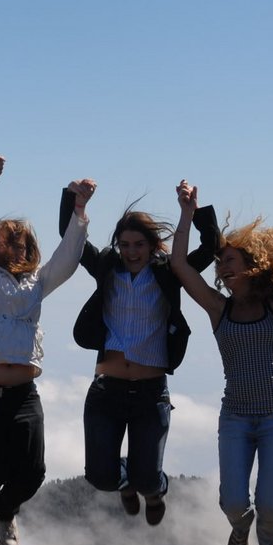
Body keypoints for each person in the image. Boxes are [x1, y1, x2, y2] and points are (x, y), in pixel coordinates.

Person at [0, 163, 91, 545]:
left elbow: (69, 258)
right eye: (7, 241)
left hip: (21, 394)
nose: (16, 247)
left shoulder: (37, 283)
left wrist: (79, 212)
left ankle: (6, 510)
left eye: (23, 242)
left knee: (32, 473)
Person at [59, 192, 218, 525]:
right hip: (106, 391)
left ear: (152, 245)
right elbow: (70, 238)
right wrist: (76, 200)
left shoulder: (168, 273)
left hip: (150, 392)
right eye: (125, 245)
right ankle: (126, 484)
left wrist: (193, 211)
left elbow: (210, 247)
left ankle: (153, 490)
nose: (131, 252)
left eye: (138, 245)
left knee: (148, 479)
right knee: (101, 478)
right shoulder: (107, 266)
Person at [170, 180, 273, 545]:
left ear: (252, 264)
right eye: (220, 263)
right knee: (231, 501)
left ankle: (268, 543)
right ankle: (240, 529)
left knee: (270, 504)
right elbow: (178, 265)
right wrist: (187, 215)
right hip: (236, 418)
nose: (223, 269)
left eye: (230, 261)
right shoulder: (217, 308)